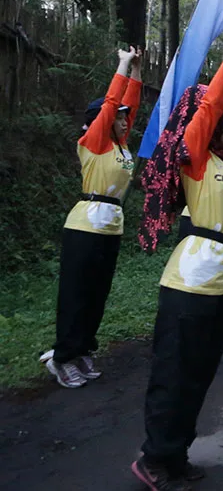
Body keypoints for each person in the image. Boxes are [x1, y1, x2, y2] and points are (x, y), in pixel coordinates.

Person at [132, 31, 223, 489]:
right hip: (190, 281)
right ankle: (154, 458)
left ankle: (176, 453)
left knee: (200, 373)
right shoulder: (197, 157)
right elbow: (211, 108)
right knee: (175, 371)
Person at [44, 46, 143, 388]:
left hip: (111, 226)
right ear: (103, 119)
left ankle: (83, 348)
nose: (124, 120)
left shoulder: (119, 144)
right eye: (118, 116)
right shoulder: (94, 140)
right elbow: (113, 103)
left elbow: (130, 104)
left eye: (124, 117)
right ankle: (62, 357)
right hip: (85, 225)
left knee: (97, 294)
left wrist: (137, 71)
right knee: (77, 294)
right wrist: (123, 64)